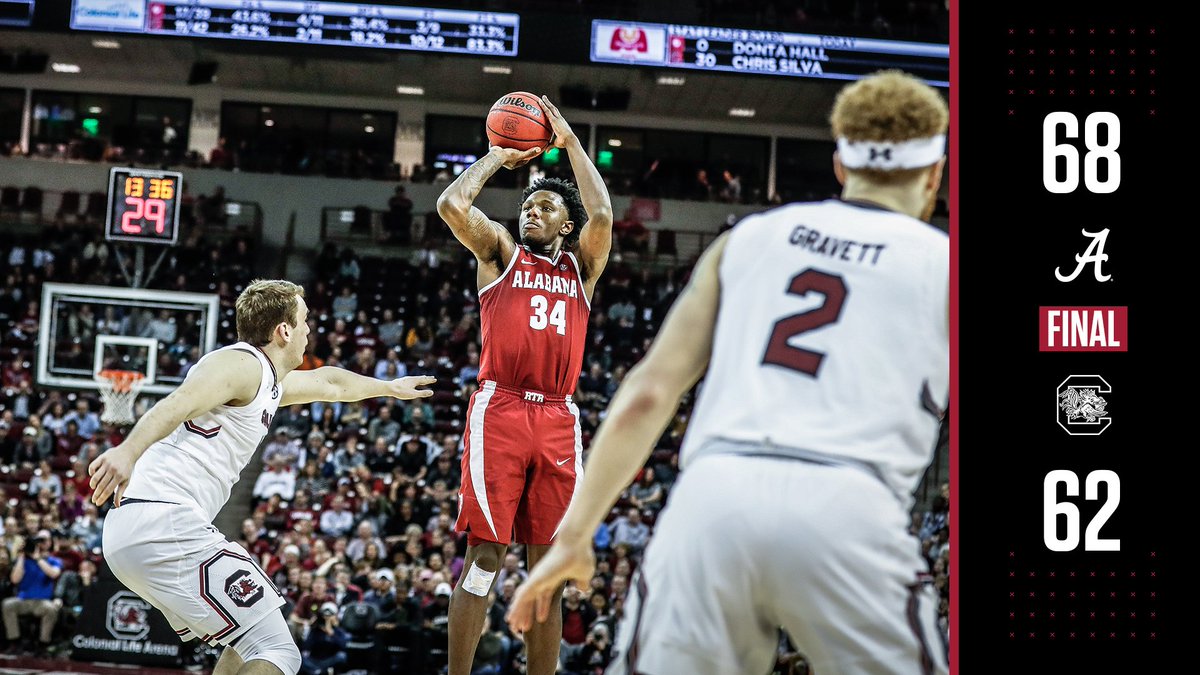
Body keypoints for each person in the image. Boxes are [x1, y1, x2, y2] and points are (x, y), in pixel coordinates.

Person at [507, 70, 949, 675]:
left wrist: (576, 532)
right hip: (850, 507)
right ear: (935, 174)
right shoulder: (942, 265)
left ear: (841, 166)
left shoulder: (751, 238)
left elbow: (648, 393)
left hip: (714, 500)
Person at [88, 280, 436, 675]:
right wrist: (127, 450)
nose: (309, 330)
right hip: (163, 521)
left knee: (244, 642)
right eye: (304, 320)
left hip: (139, 529)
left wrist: (389, 387)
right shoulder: (242, 363)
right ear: (283, 330)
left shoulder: (267, 381)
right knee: (279, 651)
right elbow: (180, 402)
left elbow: (330, 383)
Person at [435, 94, 612, 675]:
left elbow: (604, 216)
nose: (530, 213)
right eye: (527, 206)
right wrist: (496, 155)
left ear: (566, 223)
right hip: (502, 409)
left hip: (559, 417)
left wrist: (568, 140)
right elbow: (453, 204)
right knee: (485, 556)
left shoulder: (581, 268)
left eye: (543, 208)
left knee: (549, 574)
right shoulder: (502, 254)